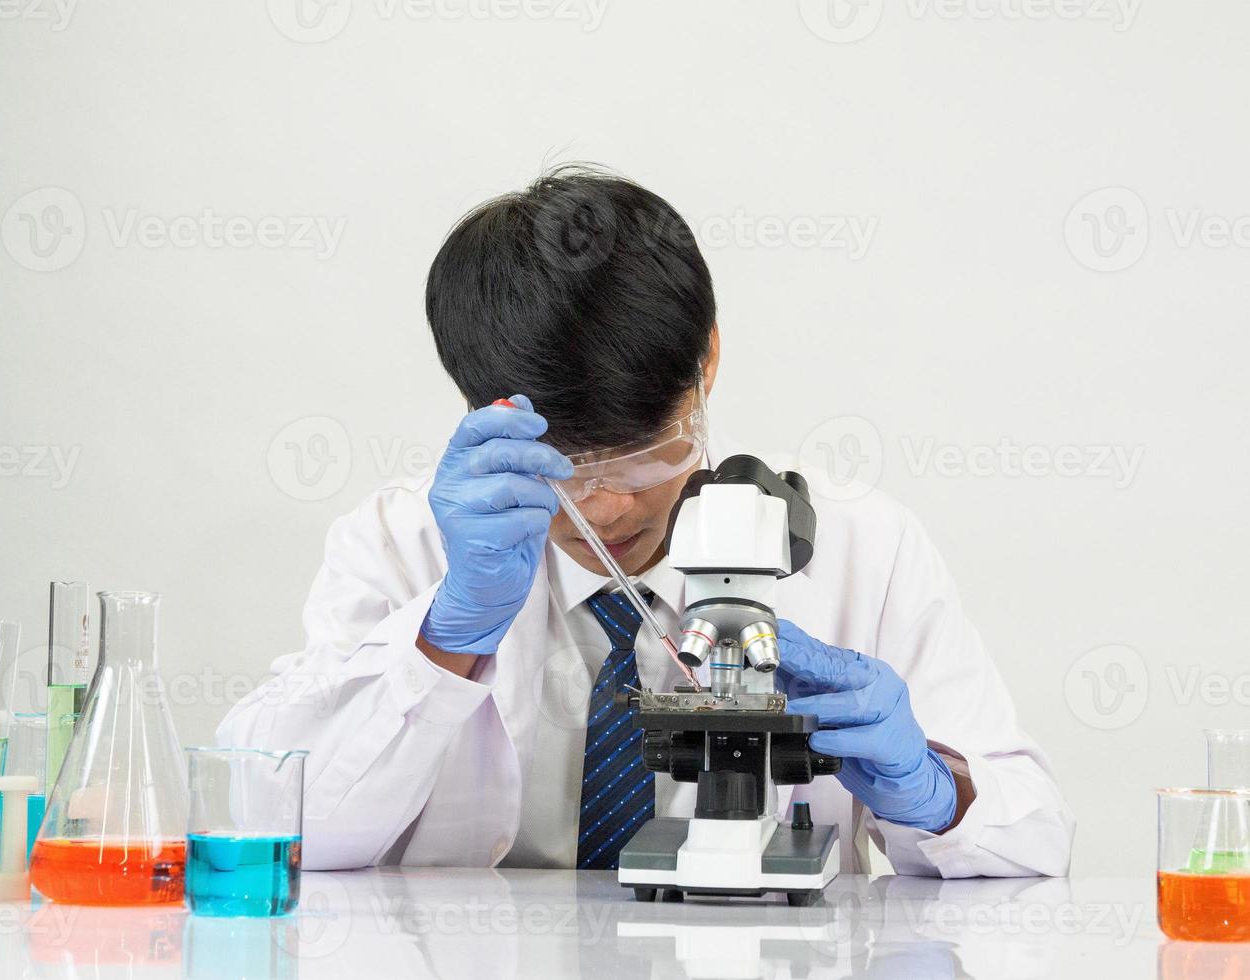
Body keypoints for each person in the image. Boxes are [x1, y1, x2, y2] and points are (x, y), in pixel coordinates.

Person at [218, 166, 1074, 877]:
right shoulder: (395, 544)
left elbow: (1037, 846)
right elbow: (268, 829)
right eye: (561, 465)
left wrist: (933, 787)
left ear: (705, 361)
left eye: (638, 457)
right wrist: (446, 637)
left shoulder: (865, 548)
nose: (601, 508)